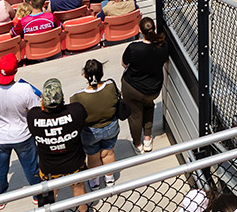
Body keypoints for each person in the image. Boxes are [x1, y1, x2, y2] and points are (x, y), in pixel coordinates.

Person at [0, 53, 41, 203]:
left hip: (0, 138)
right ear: (16, 71)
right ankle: (38, 193)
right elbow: (35, 110)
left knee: (0, 169)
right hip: (23, 136)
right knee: (31, 168)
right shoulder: (25, 89)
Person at [28, 78, 92, 212]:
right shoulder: (76, 111)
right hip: (74, 162)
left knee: (50, 191)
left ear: (42, 101)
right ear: (62, 97)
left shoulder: (33, 116)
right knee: (78, 188)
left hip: (49, 166)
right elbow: (84, 118)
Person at [122, 17, 170, 152]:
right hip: (153, 89)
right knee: (149, 107)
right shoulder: (163, 46)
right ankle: (147, 139)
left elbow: (124, 64)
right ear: (154, 28)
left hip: (133, 88)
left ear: (141, 31)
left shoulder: (133, 47)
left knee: (134, 115)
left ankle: (137, 144)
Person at [72, 59, 123, 184]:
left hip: (90, 132)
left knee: (93, 156)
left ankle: (94, 181)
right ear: (101, 73)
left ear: (85, 75)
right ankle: (109, 178)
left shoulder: (77, 97)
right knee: (108, 153)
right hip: (111, 126)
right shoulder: (111, 86)